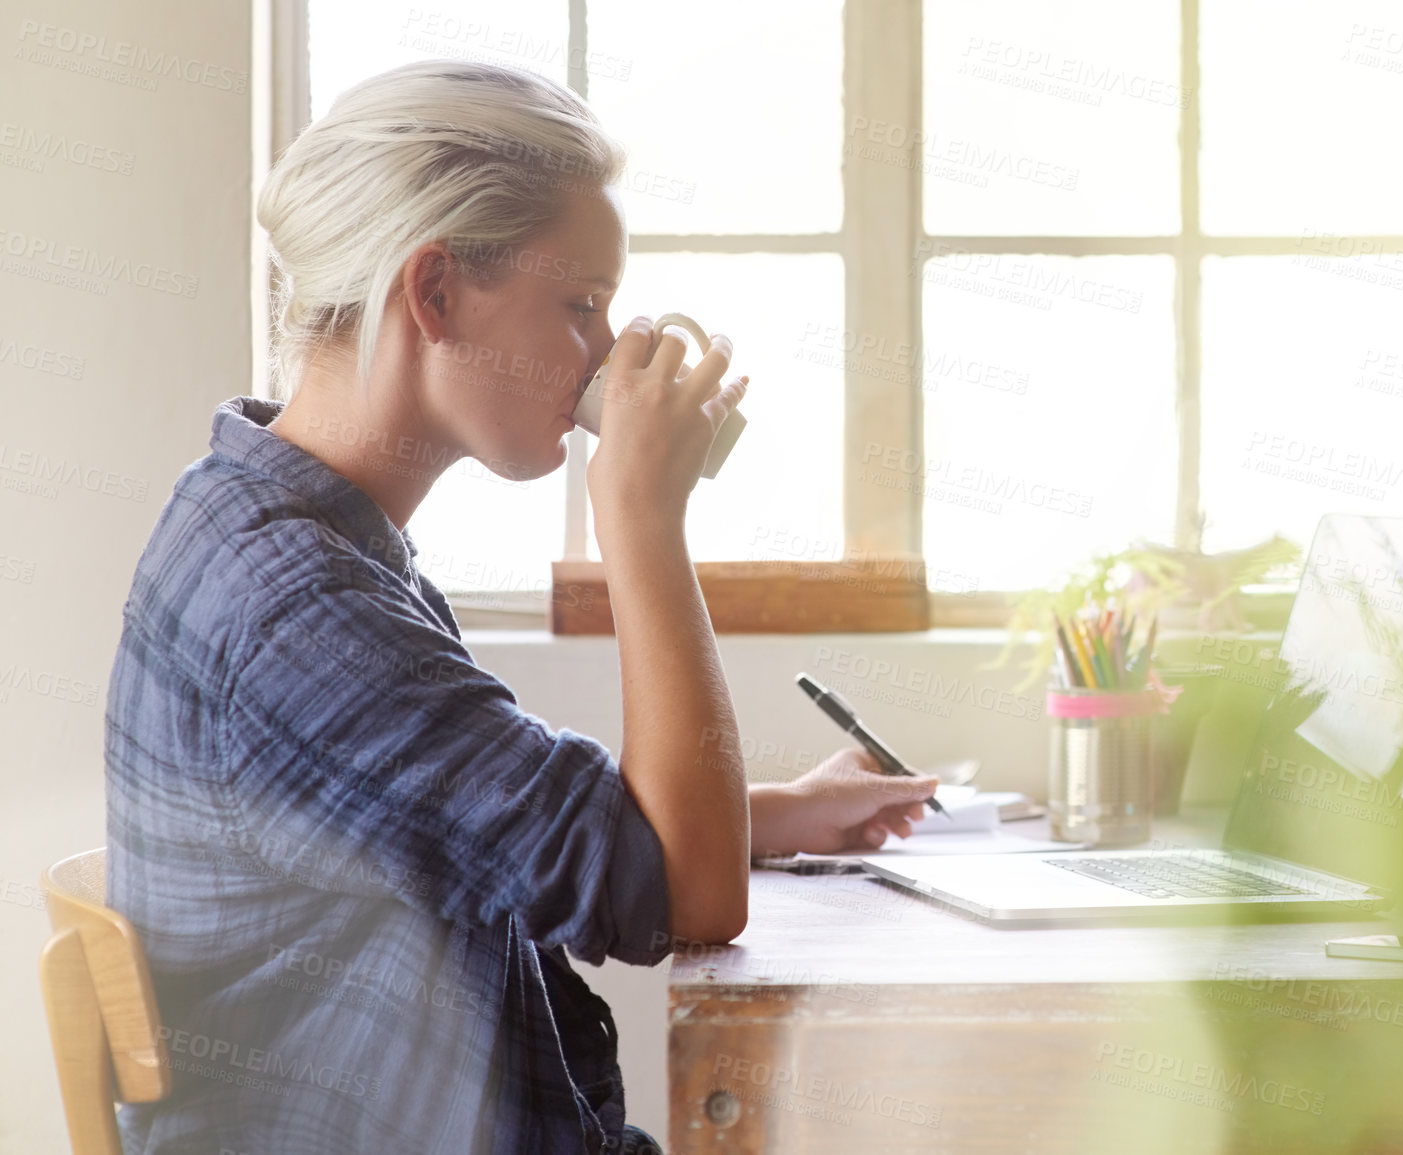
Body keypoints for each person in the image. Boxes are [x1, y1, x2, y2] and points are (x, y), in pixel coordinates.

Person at [105, 58, 936, 1154]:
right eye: (581, 306)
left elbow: (515, 816)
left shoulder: (272, 521)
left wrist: (771, 816)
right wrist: (643, 517)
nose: (601, 355)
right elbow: (689, 898)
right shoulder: (299, 610)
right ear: (435, 292)